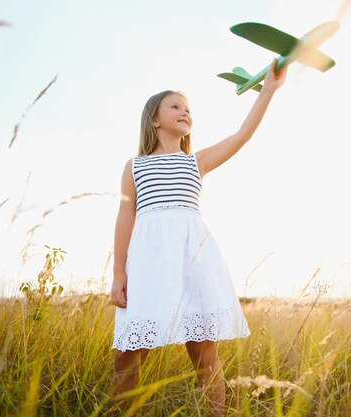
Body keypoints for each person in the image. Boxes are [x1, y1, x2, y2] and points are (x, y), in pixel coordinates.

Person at [110, 57, 289, 415]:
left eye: (188, 108)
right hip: (148, 265)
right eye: (175, 105)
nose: (185, 111)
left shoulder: (196, 161)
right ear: (155, 119)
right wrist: (119, 272)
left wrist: (268, 90)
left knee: (204, 353)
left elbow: (242, 135)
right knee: (127, 357)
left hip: (193, 262)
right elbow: (126, 215)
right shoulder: (135, 166)